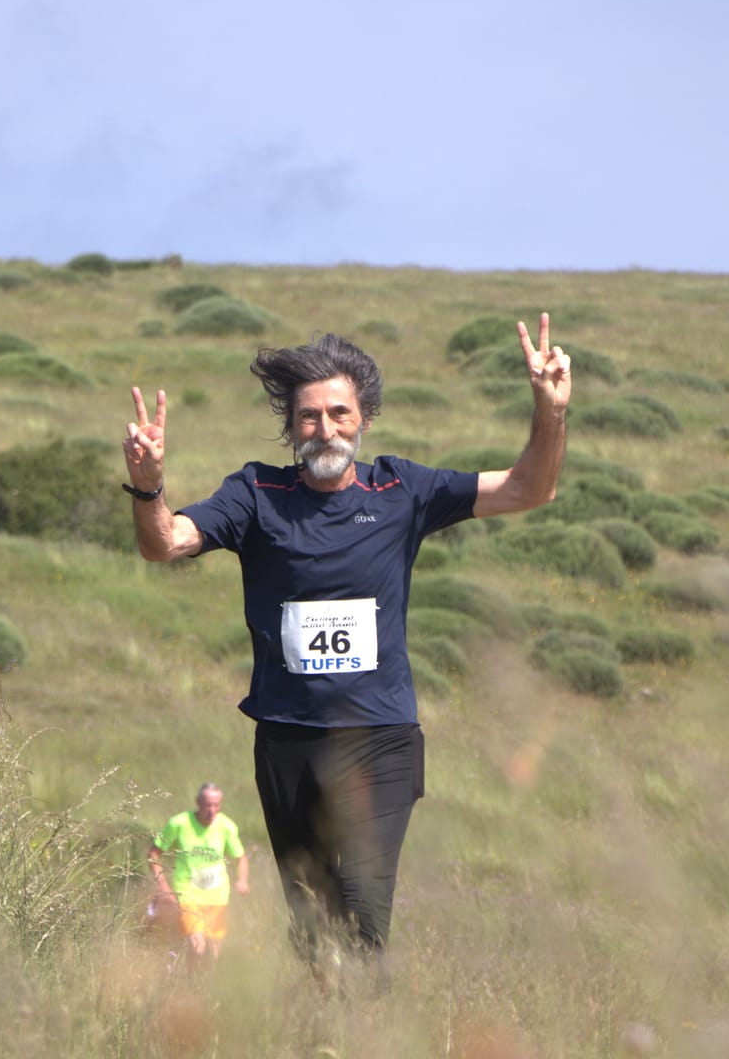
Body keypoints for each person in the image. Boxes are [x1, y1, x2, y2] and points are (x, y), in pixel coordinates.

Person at [121, 316, 572, 988]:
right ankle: (326, 1055)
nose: (324, 429)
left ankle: (369, 1053)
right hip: (287, 743)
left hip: (380, 738)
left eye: (339, 413)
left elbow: (529, 489)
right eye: (308, 417)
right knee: (311, 921)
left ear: (363, 419)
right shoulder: (254, 495)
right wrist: (149, 485)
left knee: (362, 906)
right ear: (290, 426)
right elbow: (165, 542)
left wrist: (549, 410)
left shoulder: (402, 491)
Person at [147, 782, 249, 960]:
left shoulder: (227, 827)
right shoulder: (179, 823)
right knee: (197, 947)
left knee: (215, 953)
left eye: (216, 805)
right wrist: (164, 887)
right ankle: (193, 984)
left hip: (218, 896)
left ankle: (205, 986)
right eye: (208, 805)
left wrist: (242, 880)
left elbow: (241, 857)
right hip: (188, 894)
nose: (212, 810)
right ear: (198, 802)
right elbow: (153, 854)